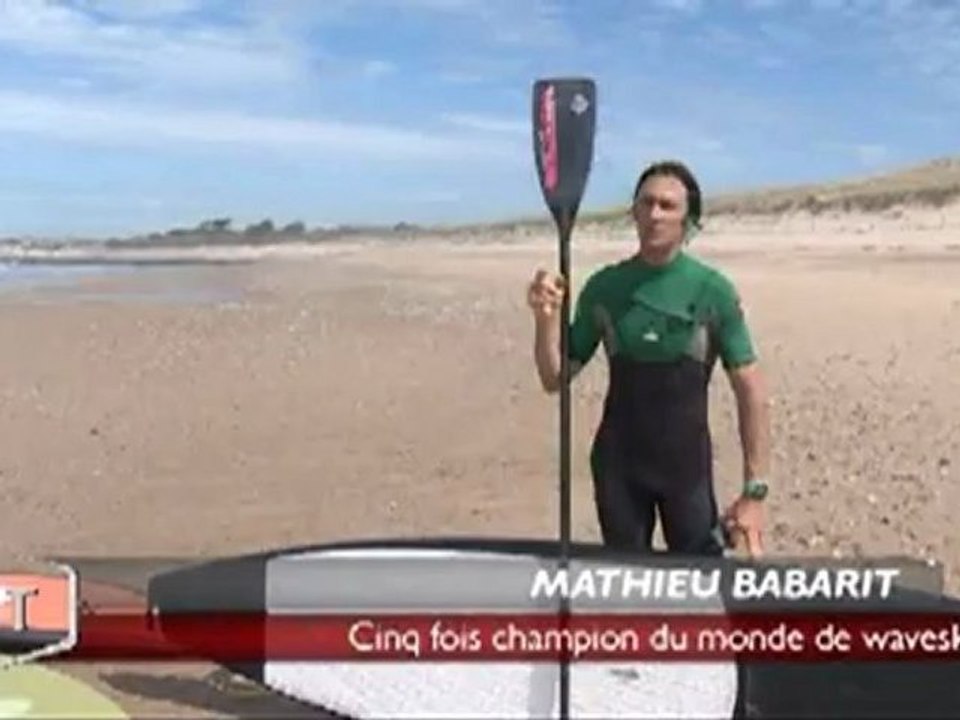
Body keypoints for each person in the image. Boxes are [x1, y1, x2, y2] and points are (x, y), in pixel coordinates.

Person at [526, 160, 770, 558]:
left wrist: (754, 492)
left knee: (697, 594)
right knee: (626, 594)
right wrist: (545, 321)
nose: (655, 214)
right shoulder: (605, 288)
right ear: (634, 212)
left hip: (686, 471)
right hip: (618, 468)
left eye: (667, 206)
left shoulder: (713, 292)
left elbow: (751, 391)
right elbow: (555, 377)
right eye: (646, 203)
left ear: (689, 219)